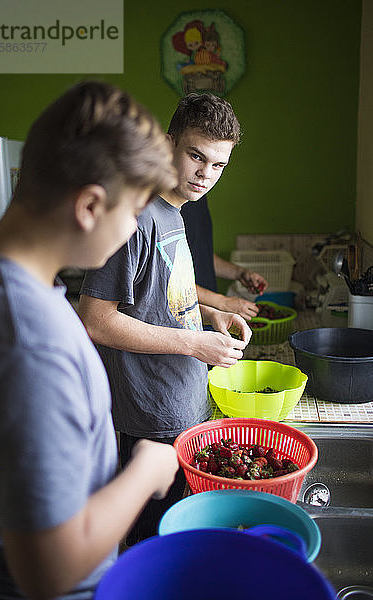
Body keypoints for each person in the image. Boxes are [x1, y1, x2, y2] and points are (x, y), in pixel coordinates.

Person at [0, 80, 180, 600]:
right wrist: (145, 469)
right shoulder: (31, 346)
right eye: (133, 214)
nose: (133, 231)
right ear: (89, 206)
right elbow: (49, 571)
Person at [78, 92, 252, 545]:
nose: (205, 175)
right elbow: (96, 320)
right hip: (148, 424)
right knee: (149, 554)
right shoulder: (133, 217)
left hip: (181, 411)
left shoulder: (174, 212)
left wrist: (209, 313)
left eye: (219, 165)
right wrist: (195, 345)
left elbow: (164, 294)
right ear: (167, 143)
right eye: (196, 156)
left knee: (179, 548)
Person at [181, 196, 268, 321]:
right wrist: (222, 302)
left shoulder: (197, 198)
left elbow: (200, 256)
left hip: (207, 318)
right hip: (182, 320)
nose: (204, 175)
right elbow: (167, 279)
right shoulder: (161, 210)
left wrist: (239, 273)